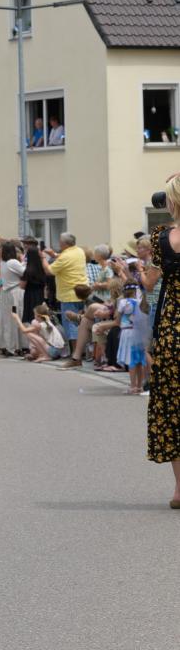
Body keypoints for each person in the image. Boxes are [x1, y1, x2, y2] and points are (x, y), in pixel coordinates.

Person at [148, 176, 180, 508]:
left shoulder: (161, 238)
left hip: (173, 326)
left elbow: (152, 280)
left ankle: (179, 490)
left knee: (173, 406)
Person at [44, 233, 88, 360]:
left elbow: (49, 270)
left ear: (64, 244)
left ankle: (75, 354)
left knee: (71, 325)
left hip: (68, 294)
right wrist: (54, 255)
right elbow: (65, 259)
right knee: (81, 323)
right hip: (81, 292)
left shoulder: (65, 256)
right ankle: (82, 352)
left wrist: (43, 258)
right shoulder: (79, 251)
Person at [0, 241, 27, 354]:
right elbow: (25, 273)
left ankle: (4, 344)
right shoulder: (12, 262)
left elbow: (1, 278)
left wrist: (0, 284)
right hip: (14, 293)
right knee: (14, 318)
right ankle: (15, 346)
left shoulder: (2, 263)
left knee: (5, 319)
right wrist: (23, 261)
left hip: (5, 293)